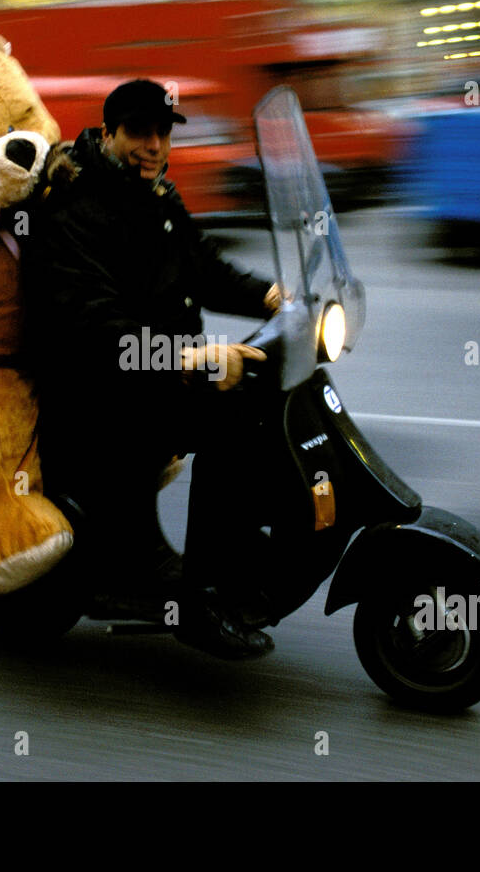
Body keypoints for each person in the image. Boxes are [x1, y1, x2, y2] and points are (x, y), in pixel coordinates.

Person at [20, 79, 284, 659]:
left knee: (268, 393)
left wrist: (272, 296)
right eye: (140, 132)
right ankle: (200, 597)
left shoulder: (156, 197)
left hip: (147, 378)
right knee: (229, 415)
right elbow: (97, 329)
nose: (155, 146)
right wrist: (183, 358)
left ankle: (240, 554)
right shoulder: (75, 209)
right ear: (109, 132)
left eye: (163, 133)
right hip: (95, 395)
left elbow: (203, 267)